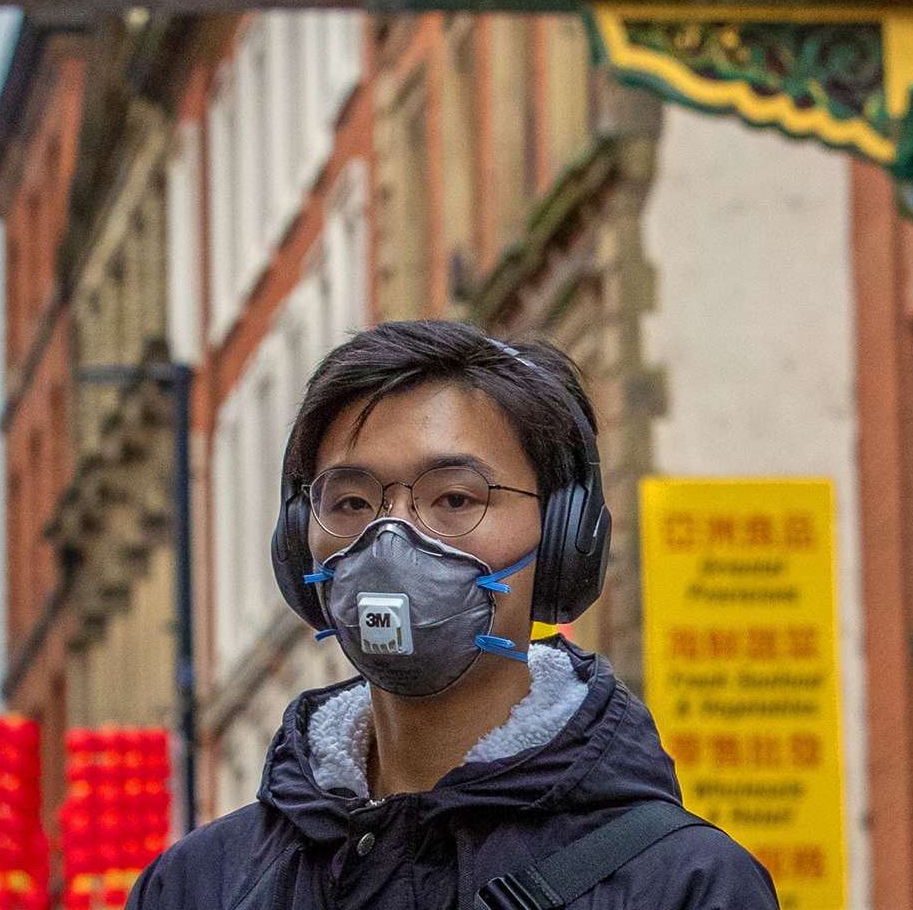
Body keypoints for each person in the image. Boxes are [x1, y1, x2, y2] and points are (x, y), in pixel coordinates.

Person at [127, 320, 778, 909]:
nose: (392, 537)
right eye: (351, 501)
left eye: (456, 498)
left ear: (561, 540)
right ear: (300, 545)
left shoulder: (684, 885)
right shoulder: (197, 886)